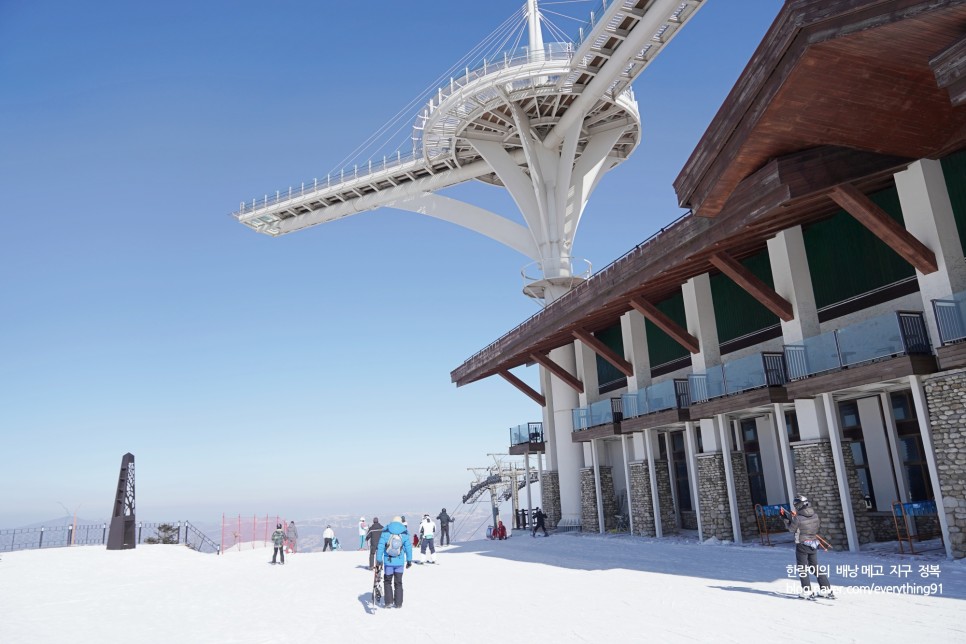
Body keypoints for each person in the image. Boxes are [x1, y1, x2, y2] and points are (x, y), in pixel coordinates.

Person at [782, 494, 835, 599]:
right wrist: (794, 518)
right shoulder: (815, 515)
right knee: (815, 566)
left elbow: (792, 529)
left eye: (796, 505)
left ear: (799, 506)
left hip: (802, 544)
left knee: (802, 568)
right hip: (813, 543)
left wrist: (786, 520)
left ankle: (807, 591)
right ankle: (826, 589)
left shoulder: (798, 518)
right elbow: (808, 524)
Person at [377, 516, 413, 608]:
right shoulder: (404, 533)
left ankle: (388, 602)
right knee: (398, 582)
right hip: (399, 562)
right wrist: (409, 560)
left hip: (388, 562)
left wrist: (379, 559)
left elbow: (380, 546)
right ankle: (398, 603)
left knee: (388, 581)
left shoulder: (386, 532)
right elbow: (408, 548)